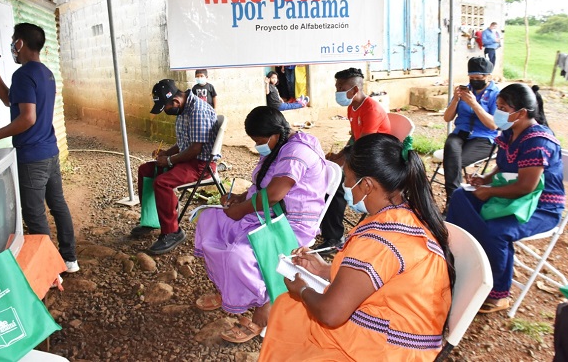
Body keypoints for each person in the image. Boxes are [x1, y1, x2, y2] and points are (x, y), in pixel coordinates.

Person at [260, 133, 455, 361]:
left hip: (390, 350)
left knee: (293, 310)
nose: (344, 186)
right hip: (400, 334)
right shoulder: (405, 215)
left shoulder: (380, 238)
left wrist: (302, 290)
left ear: (367, 185)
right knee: (289, 310)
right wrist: (324, 270)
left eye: (348, 178)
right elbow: (383, 276)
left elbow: (330, 314)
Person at [193, 106, 329, 343]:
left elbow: (274, 194)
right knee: (209, 219)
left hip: (289, 226)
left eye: (259, 140)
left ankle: (262, 306)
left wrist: (240, 210)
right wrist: (241, 198)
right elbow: (264, 186)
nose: (258, 145)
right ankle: (229, 289)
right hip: (265, 213)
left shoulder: (297, 151)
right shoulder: (279, 145)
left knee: (239, 254)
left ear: (276, 133)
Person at [447, 84, 565, 313]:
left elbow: (526, 186)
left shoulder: (538, 141)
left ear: (521, 112)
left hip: (540, 207)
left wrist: (489, 191)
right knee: (461, 197)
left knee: (496, 230)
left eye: (502, 108)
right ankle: (464, 261)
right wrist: (485, 179)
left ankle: (498, 293)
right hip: (510, 195)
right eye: (498, 106)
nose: (497, 112)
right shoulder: (510, 132)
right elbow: (502, 166)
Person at [0, 23, 79, 272]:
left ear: (20, 43)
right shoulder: (45, 73)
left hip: (32, 157)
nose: (12, 44)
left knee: (34, 215)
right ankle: (69, 260)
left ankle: (48, 271)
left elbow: (27, 118)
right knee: (58, 205)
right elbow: (9, 99)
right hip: (50, 152)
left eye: (13, 40)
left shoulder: (23, 75)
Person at [132, 79, 218, 254]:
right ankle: (152, 220)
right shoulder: (183, 109)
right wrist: (166, 153)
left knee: (162, 183)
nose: (165, 112)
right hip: (189, 159)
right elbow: (184, 143)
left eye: (165, 108)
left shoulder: (197, 111)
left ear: (175, 101)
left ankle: (172, 231)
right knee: (145, 170)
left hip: (201, 165)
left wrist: (170, 161)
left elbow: (195, 149)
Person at [316, 67, 391, 253]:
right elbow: (354, 140)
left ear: (355, 90)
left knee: (336, 184)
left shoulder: (371, 109)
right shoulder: (352, 107)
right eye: (337, 87)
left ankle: (334, 238)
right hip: (364, 152)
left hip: (377, 157)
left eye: (341, 88)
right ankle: (327, 227)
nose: (337, 92)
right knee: (328, 174)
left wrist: (343, 163)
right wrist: (339, 156)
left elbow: (364, 145)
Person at [441, 57, 499, 207]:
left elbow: (493, 125)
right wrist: (455, 99)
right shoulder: (465, 90)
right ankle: (454, 200)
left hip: (484, 137)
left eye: (478, 78)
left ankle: (453, 200)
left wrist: (474, 103)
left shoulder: (496, 95)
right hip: (461, 133)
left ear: (488, 76)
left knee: (452, 161)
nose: (474, 81)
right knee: (451, 145)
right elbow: (447, 118)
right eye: (471, 77)